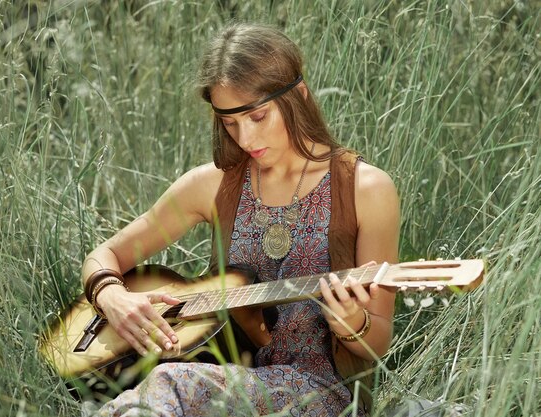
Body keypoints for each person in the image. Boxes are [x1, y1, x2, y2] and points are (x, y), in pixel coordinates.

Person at [82, 22, 400, 417]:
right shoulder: (211, 185)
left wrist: (351, 320)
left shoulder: (365, 189)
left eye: (257, 116)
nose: (245, 139)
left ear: (298, 96)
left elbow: (379, 341)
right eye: (229, 123)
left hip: (319, 393)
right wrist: (110, 294)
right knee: (172, 381)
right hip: (219, 375)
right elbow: (107, 253)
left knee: (170, 383)